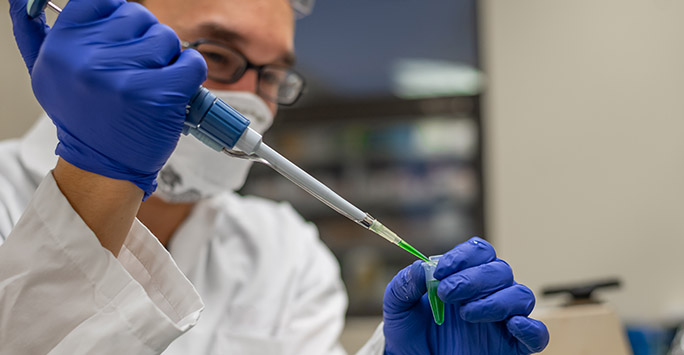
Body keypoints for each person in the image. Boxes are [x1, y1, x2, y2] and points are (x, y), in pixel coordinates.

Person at [0, 0, 550, 353]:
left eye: (276, 75)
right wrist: (98, 176)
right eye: (217, 54)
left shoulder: (283, 250)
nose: (250, 102)